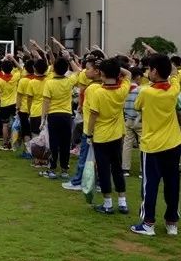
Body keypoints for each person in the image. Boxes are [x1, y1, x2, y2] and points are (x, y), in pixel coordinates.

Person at [131, 52, 181, 237]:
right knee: (172, 185)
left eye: (149, 69)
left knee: (150, 185)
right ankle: (172, 223)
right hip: (173, 144)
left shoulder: (146, 91)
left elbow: (137, 106)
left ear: (154, 71)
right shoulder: (173, 89)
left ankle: (148, 223)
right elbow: (175, 75)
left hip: (152, 146)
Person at [86, 57, 131, 214]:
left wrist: (88, 134)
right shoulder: (122, 90)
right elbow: (129, 74)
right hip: (117, 135)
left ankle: (107, 203)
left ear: (102, 74)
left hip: (100, 136)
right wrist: (116, 66)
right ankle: (122, 201)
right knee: (117, 168)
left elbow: (93, 116)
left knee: (104, 170)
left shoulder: (98, 93)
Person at [62, 57, 101, 191]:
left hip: (90, 128)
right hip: (105, 130)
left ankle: (79, 180)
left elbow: (93, 111)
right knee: (100, 158)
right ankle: (98, 183)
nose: (85, 71)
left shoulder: (92, 89)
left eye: (88, 68)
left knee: (85, 157)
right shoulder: (108, 87)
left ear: (97, 71)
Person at [40, 50, 81, 179]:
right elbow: (78, 71)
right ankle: (64, 170)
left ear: (54, 69)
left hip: (53, 115)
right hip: (66, 116)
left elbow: (46, 103)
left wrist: (42, 119)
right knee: (65, 143)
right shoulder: (68, 81)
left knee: (54, 142)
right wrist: (70, 59)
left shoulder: (50, 83)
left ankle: (52, 169)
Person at [122, 67, 144, 176]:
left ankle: (125, 169)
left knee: (127, 144)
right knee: (143, 145)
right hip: (140, 121)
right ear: (138, 77)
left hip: (127, 119)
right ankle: (142, 170)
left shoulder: (124, 88)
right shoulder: (140, 90)